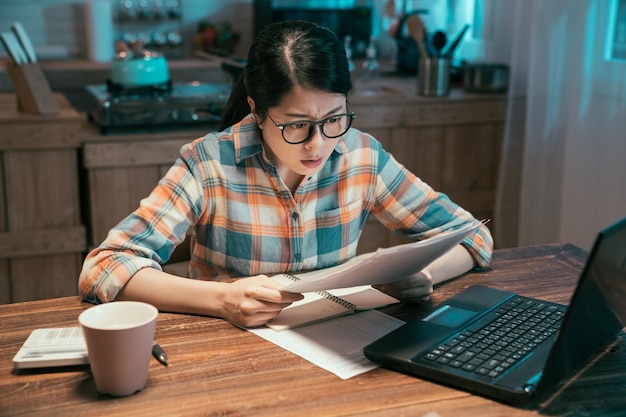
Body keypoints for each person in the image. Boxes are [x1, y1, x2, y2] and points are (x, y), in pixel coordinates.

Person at [79, 20, 493, 328]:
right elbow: (105, 267)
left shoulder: (360, 156)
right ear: (257, 109)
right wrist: (223, 299)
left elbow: (474, 235)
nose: (317, 144)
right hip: (232, 355)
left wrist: (424, 275)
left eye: (334, 119)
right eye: (295, 125)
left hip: (340, 346)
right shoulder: (209, 164)